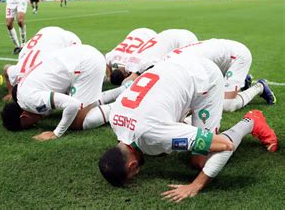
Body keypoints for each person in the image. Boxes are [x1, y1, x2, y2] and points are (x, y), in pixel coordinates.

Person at [99, 56, 278, 202]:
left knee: (200, 160)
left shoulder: (156, 135)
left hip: (204, 80)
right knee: (164, 144)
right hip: (173, 65)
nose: (138, 174)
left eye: (134, 175)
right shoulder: (115, 119)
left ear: (132, 166)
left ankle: (252, 121)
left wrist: (196, 185)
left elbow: (225, 145)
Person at [0, 45, 129, 140]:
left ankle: (121, 106)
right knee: (84, 105)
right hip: (83, 55)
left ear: (24, 116)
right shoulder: (22, 91)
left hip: (86, 64)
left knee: (77, 122)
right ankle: (125, 89)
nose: (36, 123)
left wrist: (56, 133)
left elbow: (72, 105)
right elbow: (8, 69)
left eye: (30, 125)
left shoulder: (31, 100)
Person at [164, 39, 276, 112]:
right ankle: (243, 81)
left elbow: (200, 96)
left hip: (238, 57)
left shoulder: (185, 67)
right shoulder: (168, 63)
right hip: (220, 56)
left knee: (227, 105)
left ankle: (259, 87)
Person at [2, 26, 81, 102]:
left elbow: (6, 68)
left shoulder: (47, 75)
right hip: (43, 35)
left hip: (66, 39)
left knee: (77, 68)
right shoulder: (16, 73)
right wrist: (11, 93)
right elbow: (6, 68)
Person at [111, 29, 198, 85]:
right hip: (168, 33)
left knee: (189, 71)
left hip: (184, 39)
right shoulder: (129, 63)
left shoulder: (147, 65)